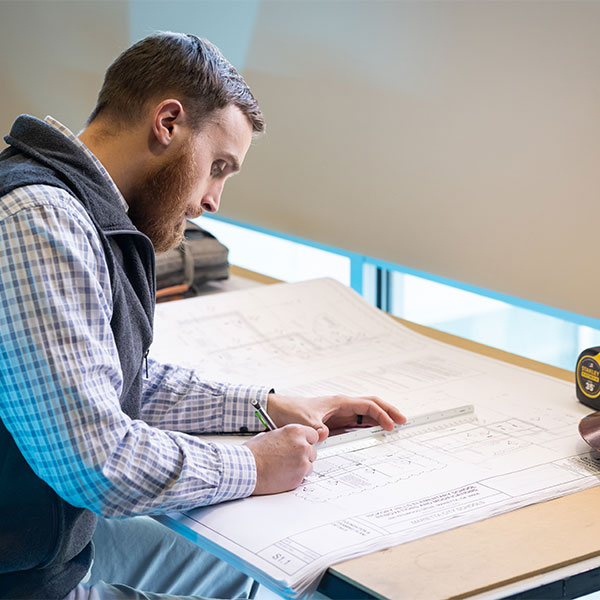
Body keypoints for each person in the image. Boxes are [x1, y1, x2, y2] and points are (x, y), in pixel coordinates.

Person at [0, 32, 405, 600]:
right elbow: (97, 461)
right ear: (167, 122)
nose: (214, 199)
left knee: (254, 578)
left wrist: (264, 406)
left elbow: (108, 380)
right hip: (23, 580)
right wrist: (253, 465)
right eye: (218, 165)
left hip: (43, 544)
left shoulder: (80, 210)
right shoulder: (38, 219)